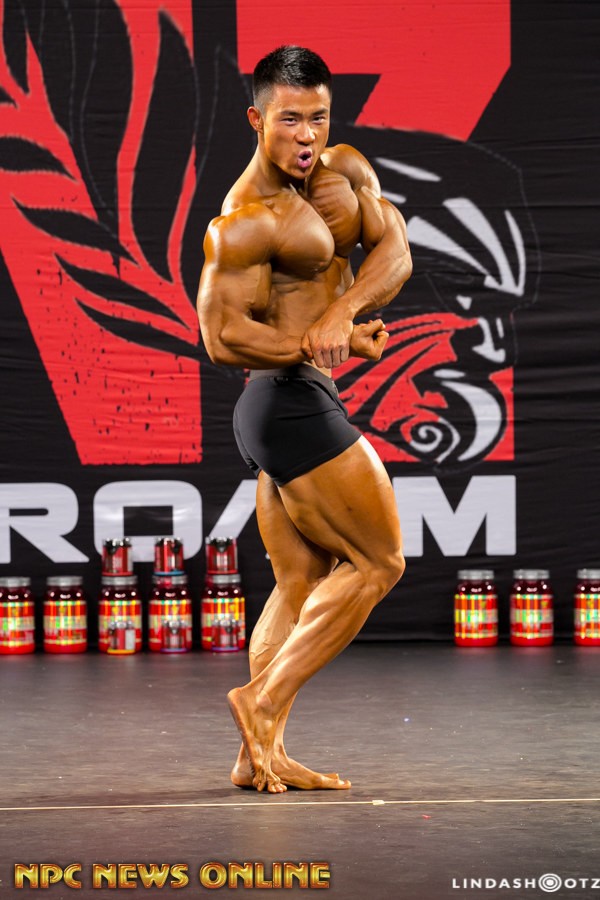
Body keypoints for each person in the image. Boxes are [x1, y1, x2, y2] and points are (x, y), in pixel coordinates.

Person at [197, 45, 412, 793]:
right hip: (284, 399)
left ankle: (260, 752)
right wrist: (313, 341)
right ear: (257, 120)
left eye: (318, 117)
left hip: (293, 401)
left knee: (300, 581)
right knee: (380, 562)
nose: (307, 135)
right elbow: (221, 337)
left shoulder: (344, 171)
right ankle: (261, 702)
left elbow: (396, 250)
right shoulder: (242, 222)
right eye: (290, 119)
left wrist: (342, 314)